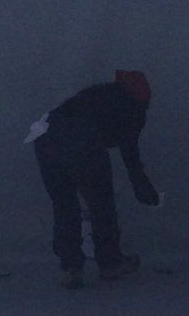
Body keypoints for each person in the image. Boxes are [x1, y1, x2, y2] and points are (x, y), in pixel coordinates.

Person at [29, 69, 160, 288]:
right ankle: (110, 263)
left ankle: (70, 268)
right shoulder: (131, 107)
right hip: (83, 141)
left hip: (46, 136)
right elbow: (129, 150)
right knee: (101, 204)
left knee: (64, 206)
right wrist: (140, 182)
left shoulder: (97, 94)